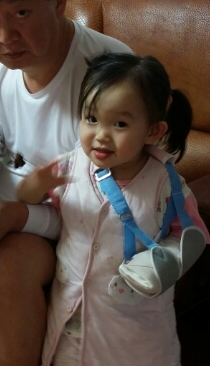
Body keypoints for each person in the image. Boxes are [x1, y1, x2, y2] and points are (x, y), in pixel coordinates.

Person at [0, 0, 131, 365]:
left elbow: (112, 212)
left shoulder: (112, 75)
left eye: (21, 12)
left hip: (90, 227)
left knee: (6, 259)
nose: (5, 37)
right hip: (19, 209)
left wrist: (18, 216)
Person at [17, 52, 210, 366]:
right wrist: (36, 184)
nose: (101, 135)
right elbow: (27, 199)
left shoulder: (165, 185)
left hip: (136, 333)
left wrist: (165, 262)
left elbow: (193, 235)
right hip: (70, 324)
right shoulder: (70, 166)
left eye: (120, 124)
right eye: (91, 118)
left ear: (152, 131)